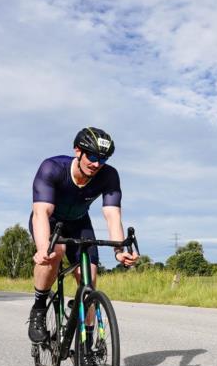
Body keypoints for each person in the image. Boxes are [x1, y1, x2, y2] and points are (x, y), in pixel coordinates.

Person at [27, 127, 138, 345]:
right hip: (50, 220)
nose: (97, 164)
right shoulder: (52, 168)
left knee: (90, 277)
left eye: (103, 159)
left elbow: (112, 215)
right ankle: (39, 308)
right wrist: (42, 248)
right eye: (93, 156)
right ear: (78, 151)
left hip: (79, 222)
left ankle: (87, 345)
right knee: (54, 252)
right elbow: (42, 212)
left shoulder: (109, 175)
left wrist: (119, 251)